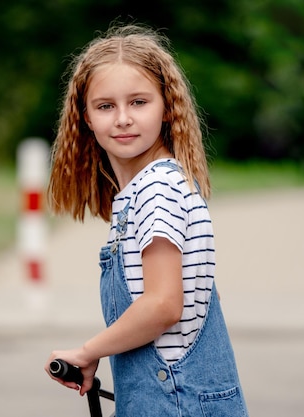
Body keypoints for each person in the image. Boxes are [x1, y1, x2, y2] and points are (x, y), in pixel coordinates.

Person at [45, 23, 248, 416]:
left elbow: (163, 304)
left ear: (167, 107)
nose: (122, 118)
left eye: (139, 102)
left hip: (174, 401)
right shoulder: (147, 189)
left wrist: (89, 351)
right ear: (86, 117)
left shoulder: (157, 189)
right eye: (105, 106)